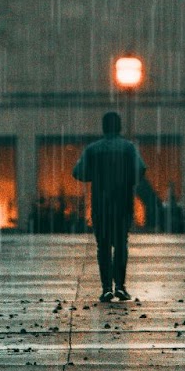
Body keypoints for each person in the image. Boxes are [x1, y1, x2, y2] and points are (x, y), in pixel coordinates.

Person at [72, 110, 146, 302]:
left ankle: (106, 288)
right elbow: (140, 169)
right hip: (122, 203)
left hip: (101, 204)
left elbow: (78, 172)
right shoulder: (128, 148)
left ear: (103, 127)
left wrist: (96, 176)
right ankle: (120, 286)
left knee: (103, 245)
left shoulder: (93, 149)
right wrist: (126, 180)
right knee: (121, 243)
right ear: (119, 126)